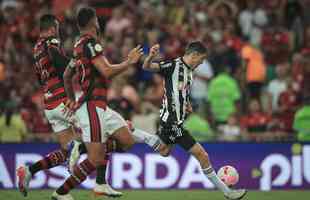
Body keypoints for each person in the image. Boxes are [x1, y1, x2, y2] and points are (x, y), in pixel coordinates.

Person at [56, 7, 167, 200]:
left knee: (127, 140)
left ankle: (98, 178)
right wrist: (129, 62)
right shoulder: (90, 44)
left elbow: (67, 75)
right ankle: (61, 192)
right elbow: (106, 71)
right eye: (97, 20)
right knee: (95, 159)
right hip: (92, 106)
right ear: (94, 22)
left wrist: (70, 100)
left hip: (99, 106)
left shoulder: (78, 46)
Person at [15, 14, 120, 199]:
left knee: (64, 153)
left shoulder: (36, 48)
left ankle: (30, 170)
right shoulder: (50, 41)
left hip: (49, 105)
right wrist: (76, 66)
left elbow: (40, 77)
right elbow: (56, 57)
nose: (58, 32)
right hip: (62, 101)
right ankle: (100, 182)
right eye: (56, 27)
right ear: (51, 28)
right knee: (102, 133)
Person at [142, 42, 247, 199]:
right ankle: (228, 193)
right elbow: (147, 67)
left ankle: (133, 132)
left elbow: (180, 92)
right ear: (194, 55)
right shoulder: (172, 65)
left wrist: (187, 104)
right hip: (172, 121)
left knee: (164, 151)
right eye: (202, 59)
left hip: (176, 120)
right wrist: (150, 57)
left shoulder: (189, 73)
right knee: (202, 155)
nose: (202, 63)